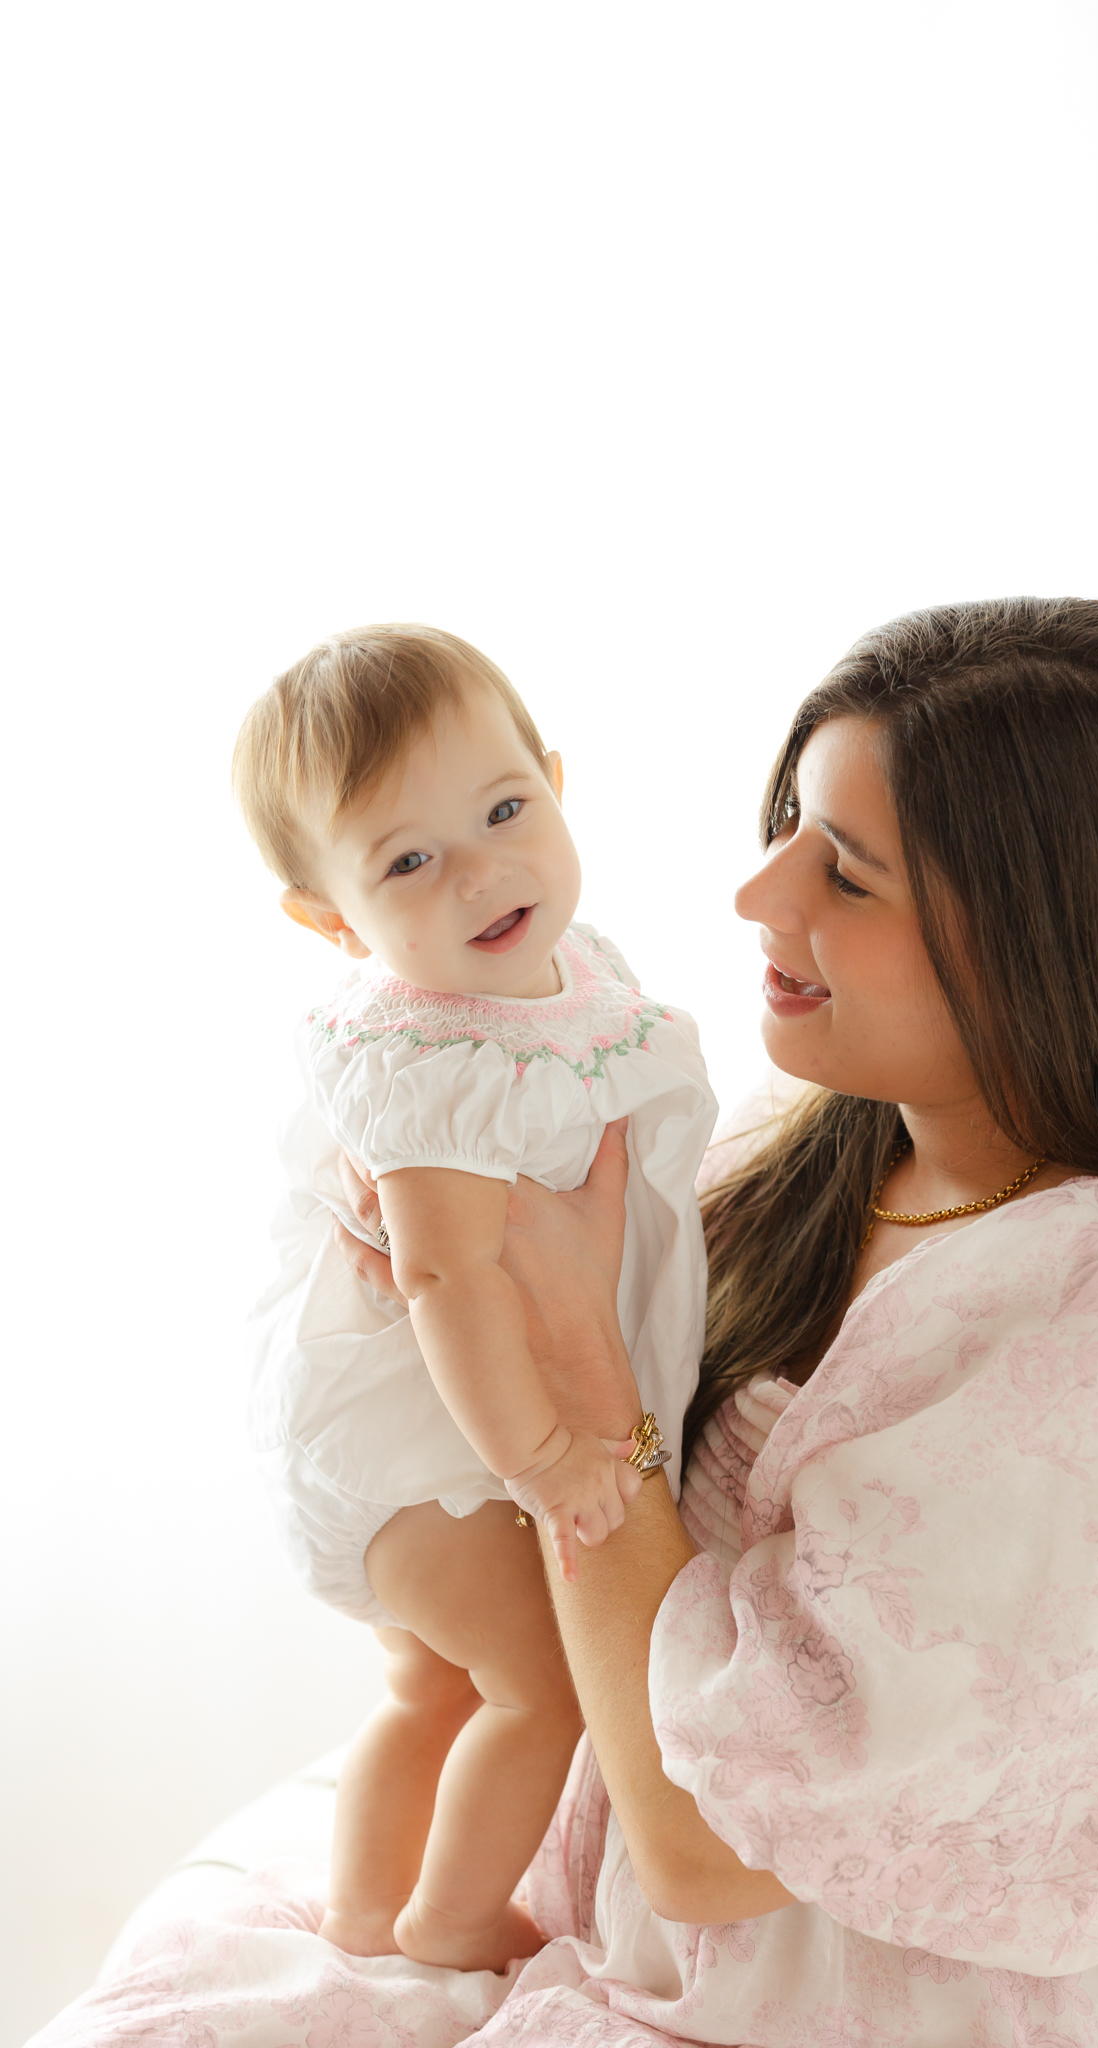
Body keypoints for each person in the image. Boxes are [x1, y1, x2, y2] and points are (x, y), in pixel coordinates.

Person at [39, 598, 1098, 2048]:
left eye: (842, 873)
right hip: (627, 1928)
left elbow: (713, 1849)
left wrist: (573, 1376)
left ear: (1047, 934)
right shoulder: (800, 1152)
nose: (758, 892)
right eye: (790, 820)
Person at [231, 625, 716, 1970]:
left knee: (428, 1681)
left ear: (555, 779)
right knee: (543, 1685)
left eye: (506, 809)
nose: (483, 871)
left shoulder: (569, 973)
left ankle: (362, 1908)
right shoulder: (429, 1063)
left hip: (418, 1441)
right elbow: (443, 1275)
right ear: (332, 918)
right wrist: (548, 1456)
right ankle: (447, 1921)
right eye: (406, 862)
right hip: (424, 1446)